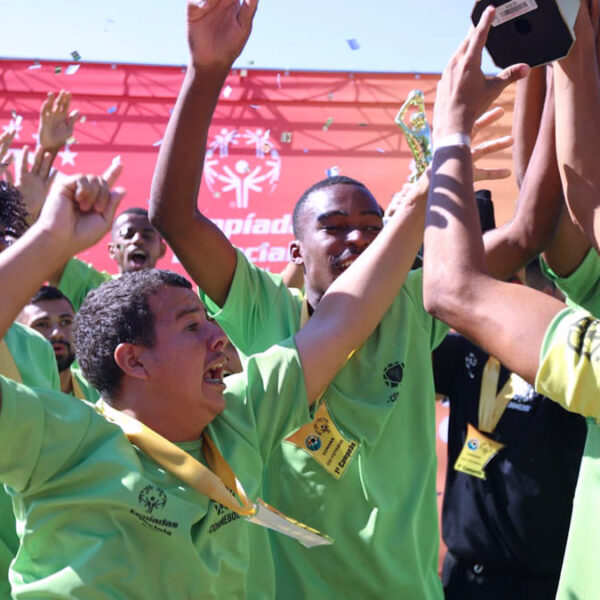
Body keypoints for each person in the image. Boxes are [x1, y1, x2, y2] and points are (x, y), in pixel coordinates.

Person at [149, 1, 568, 596]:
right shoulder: (260, 307)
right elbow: (173, 215)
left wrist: (551, 57)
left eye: (373, 225)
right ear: (294, 252)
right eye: (337, 225)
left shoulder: (414, 303)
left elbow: (529, 232)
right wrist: (207, 70)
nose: (359, 237)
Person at [0, 94, 433, 597]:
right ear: (133, 360)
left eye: (210, 321)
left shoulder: (240, 419)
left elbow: (343, 318)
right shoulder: (58, 436)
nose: (219, 337)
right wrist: (50, 239)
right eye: (191, 327)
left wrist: (435, 173)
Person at [422, 3, 600, 599]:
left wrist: (452, 127)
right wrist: (564, 47)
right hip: (473, 574)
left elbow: (533, 226)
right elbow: (552, 212)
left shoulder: (589, 342)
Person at [16, 286, 99, 401]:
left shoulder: (100, 391)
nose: (57, 333)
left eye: (66, 322)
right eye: (42, 324)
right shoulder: (9, 396)